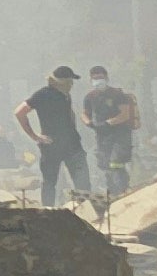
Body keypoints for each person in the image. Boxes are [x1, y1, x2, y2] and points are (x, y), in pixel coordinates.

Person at [14, 66, 91, 206]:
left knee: (82, 182)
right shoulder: (42, 94)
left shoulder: (66, 95)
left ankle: (86, 211)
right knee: (50, 183)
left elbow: (70, 115)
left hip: (72, 145)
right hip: (51, 145)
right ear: (60, 82)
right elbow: (20, 112)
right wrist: (35, 136)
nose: (71, 85)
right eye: (69, 81)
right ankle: (48, 213)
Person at [82, 67, 141, 195]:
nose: (98, 81)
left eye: (100, 78)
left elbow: (125, 114)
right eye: (95, 78)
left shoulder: (117, 94)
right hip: (102, 136)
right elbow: (85, 114)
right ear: (90, 80)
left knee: (116, 162)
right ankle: (114, 194)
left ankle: (123, 190)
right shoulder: (90, 97)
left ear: (106, 78)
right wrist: (89, 123)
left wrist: (108, 123)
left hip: (120, 135)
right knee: (106, 165)